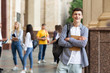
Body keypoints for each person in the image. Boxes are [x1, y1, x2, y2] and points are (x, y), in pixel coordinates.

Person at [56, 8, 89, 73]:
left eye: (79, 14)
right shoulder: (67, 27)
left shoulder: (85, 29)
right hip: (64, 60)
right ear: (72, 16)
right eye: (75, 14)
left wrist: (70, 39)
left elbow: (83, 44)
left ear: (82, 16)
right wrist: (77, 42)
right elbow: (60, 42)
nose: (77, 16)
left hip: (77, 61)